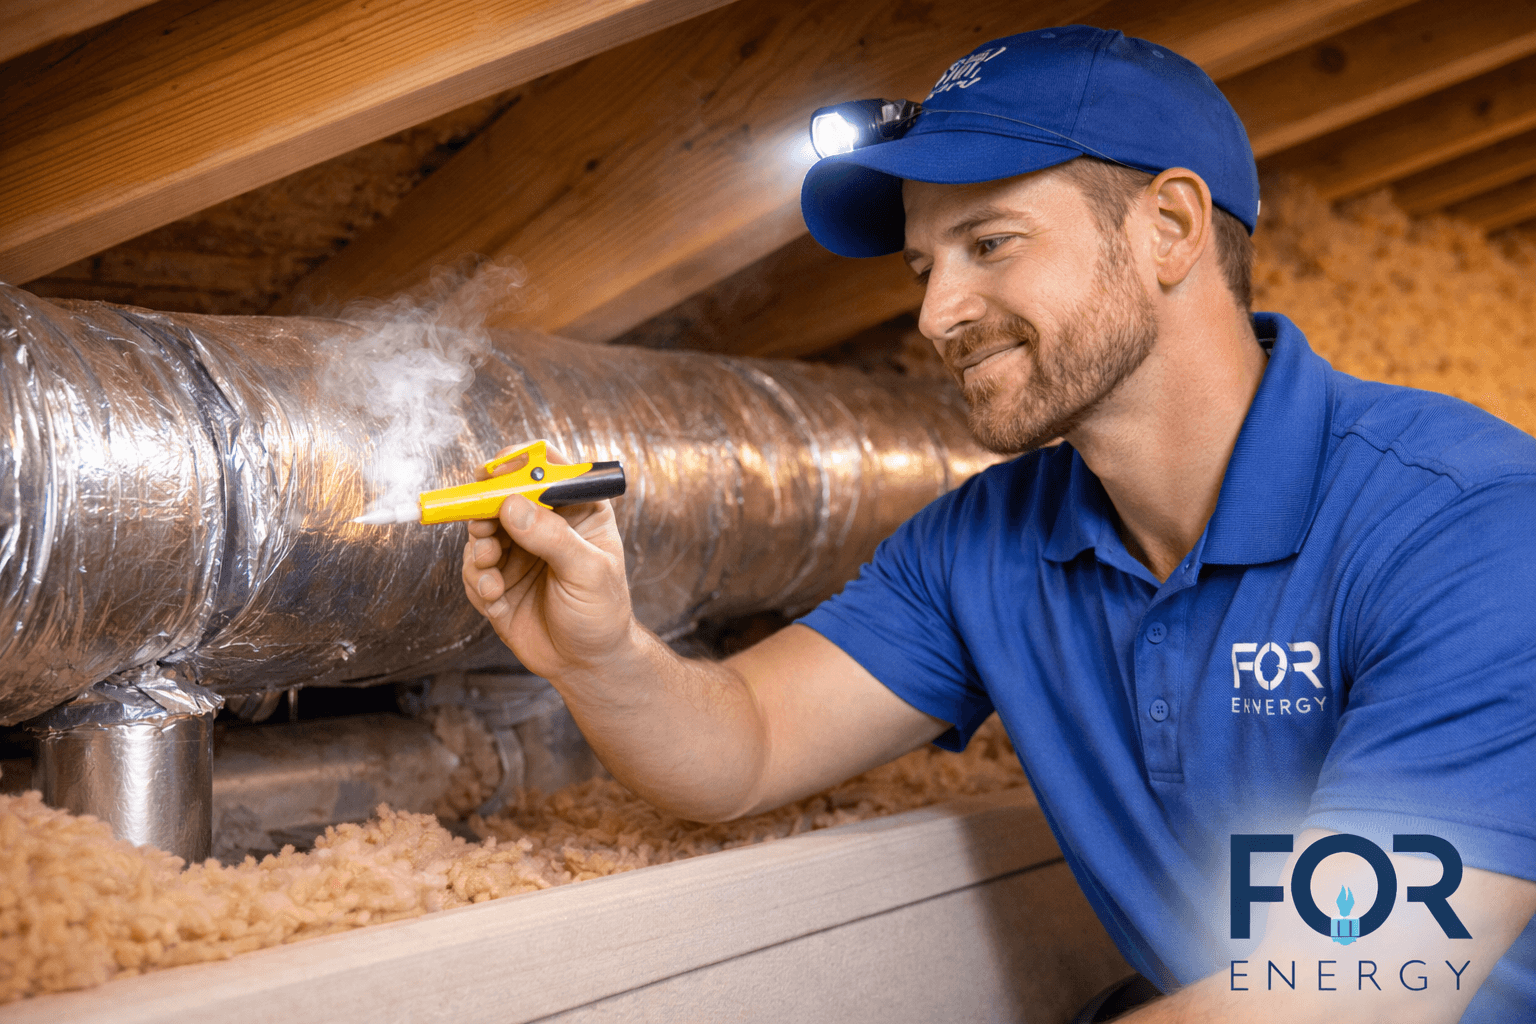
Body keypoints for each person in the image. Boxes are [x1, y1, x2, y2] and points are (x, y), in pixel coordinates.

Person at [461, 26, 1536, 1023]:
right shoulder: (984, 541)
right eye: (924, 267)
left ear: (1168, 229)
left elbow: (1352, 993)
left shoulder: (1468, 525)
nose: (936, 315)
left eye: (990, 243)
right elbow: (745, 744)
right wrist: (602, 657)